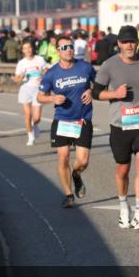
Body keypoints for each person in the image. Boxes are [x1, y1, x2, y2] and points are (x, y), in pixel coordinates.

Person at [93, 25, 139, 231]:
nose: (129, 45)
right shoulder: (108, 65)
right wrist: (114, 95)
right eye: (125, 42)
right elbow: (96, 92)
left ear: (137, 42)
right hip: (119, 125)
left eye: (132, 41)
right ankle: (124, 206)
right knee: (123, 169)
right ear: (119, 44)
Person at [38, 35, 97, 209]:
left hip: (83, 120)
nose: (69, 50)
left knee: (82, 161)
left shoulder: (85, 67)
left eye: (71, 46)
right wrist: (53, 99)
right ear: (58, 51)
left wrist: (91, 90)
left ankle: (76, 175)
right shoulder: (52, 73)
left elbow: (99, 83)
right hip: (62, 120)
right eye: (64, 47)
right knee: (63, 157)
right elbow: (40, 96)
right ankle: (68, 194)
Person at [14, 40, 49, 145]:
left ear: (32, 48)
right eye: (25, 48)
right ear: (22, 51)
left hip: (38, 90)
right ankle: (30, 136)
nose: (28, 50)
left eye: (29, 47)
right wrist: (20, 77)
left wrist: (43, 73)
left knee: (37, 117)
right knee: (28, 115)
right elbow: (17, 79)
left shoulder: (39, 59)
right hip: (26, 89)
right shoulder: (22, 63)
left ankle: (35, 125)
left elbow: (47, 68)